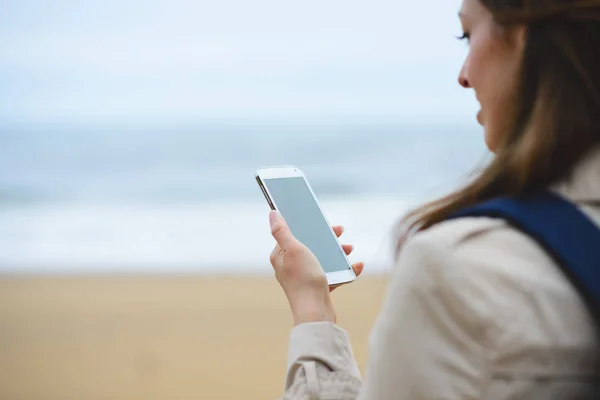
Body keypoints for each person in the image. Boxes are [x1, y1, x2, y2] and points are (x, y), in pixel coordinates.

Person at [266, 0, 600, 398]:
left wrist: (311, 309)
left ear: (523, 38)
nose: (463, 76)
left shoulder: (459, 270)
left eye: (468, 34)